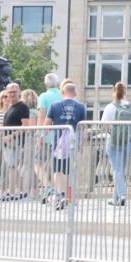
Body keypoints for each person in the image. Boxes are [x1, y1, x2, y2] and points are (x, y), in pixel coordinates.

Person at [44, 81, 87, 211]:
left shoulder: (54, 106)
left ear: (63, 92)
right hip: (73, 143)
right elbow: (83, 128)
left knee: (58, 170)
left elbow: (46, 125)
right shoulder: (81, 107)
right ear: (75, 93)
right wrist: (81, 145)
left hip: (58, 143)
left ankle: (60, 194)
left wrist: (42, 137)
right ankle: (70, 198)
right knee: (70, 170)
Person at [101, 82, 131, 206]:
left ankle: (122, 194)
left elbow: (103, 126)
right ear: (125, 92)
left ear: (114, 91)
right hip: (129, 141)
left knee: (117, 169)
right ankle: (115, 198)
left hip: (114, 141)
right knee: (123, 170)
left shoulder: (110, 107)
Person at [0, 83, 30, 201]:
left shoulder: (23, 107)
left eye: (14, 92)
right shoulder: (10, 108)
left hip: (16, 143)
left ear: (19, 93)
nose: (12, 94)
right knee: (12, 167)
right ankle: (22, 192)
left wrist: (11, 136)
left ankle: (12, 193)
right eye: (10, 92)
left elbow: (25, 126)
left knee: (12, 167)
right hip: (8, 143)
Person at [37, 73, 62, 204]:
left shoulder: (44, 96)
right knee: (56, 167)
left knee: (38, 163)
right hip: (62, 136)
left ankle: (48, 188)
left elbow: (41, 117)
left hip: (47, 136)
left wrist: (40, 134)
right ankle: (56, 192)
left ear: (46, 84)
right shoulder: (62, 95)